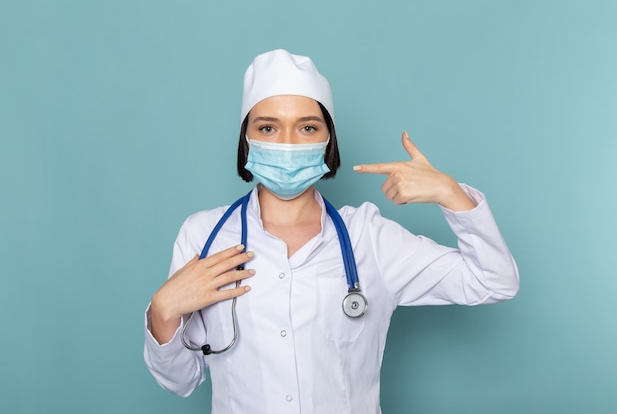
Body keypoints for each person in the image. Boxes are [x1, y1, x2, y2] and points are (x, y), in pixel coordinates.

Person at [144, 49, 519, 414]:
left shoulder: (369, 238)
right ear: (247, 139)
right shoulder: (205, 235)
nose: (288, 143)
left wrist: (451, 195)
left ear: (328, 141)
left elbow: (494, 281)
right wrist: (162, 313)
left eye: (307, 127)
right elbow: (180, 381)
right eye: (268, 127)